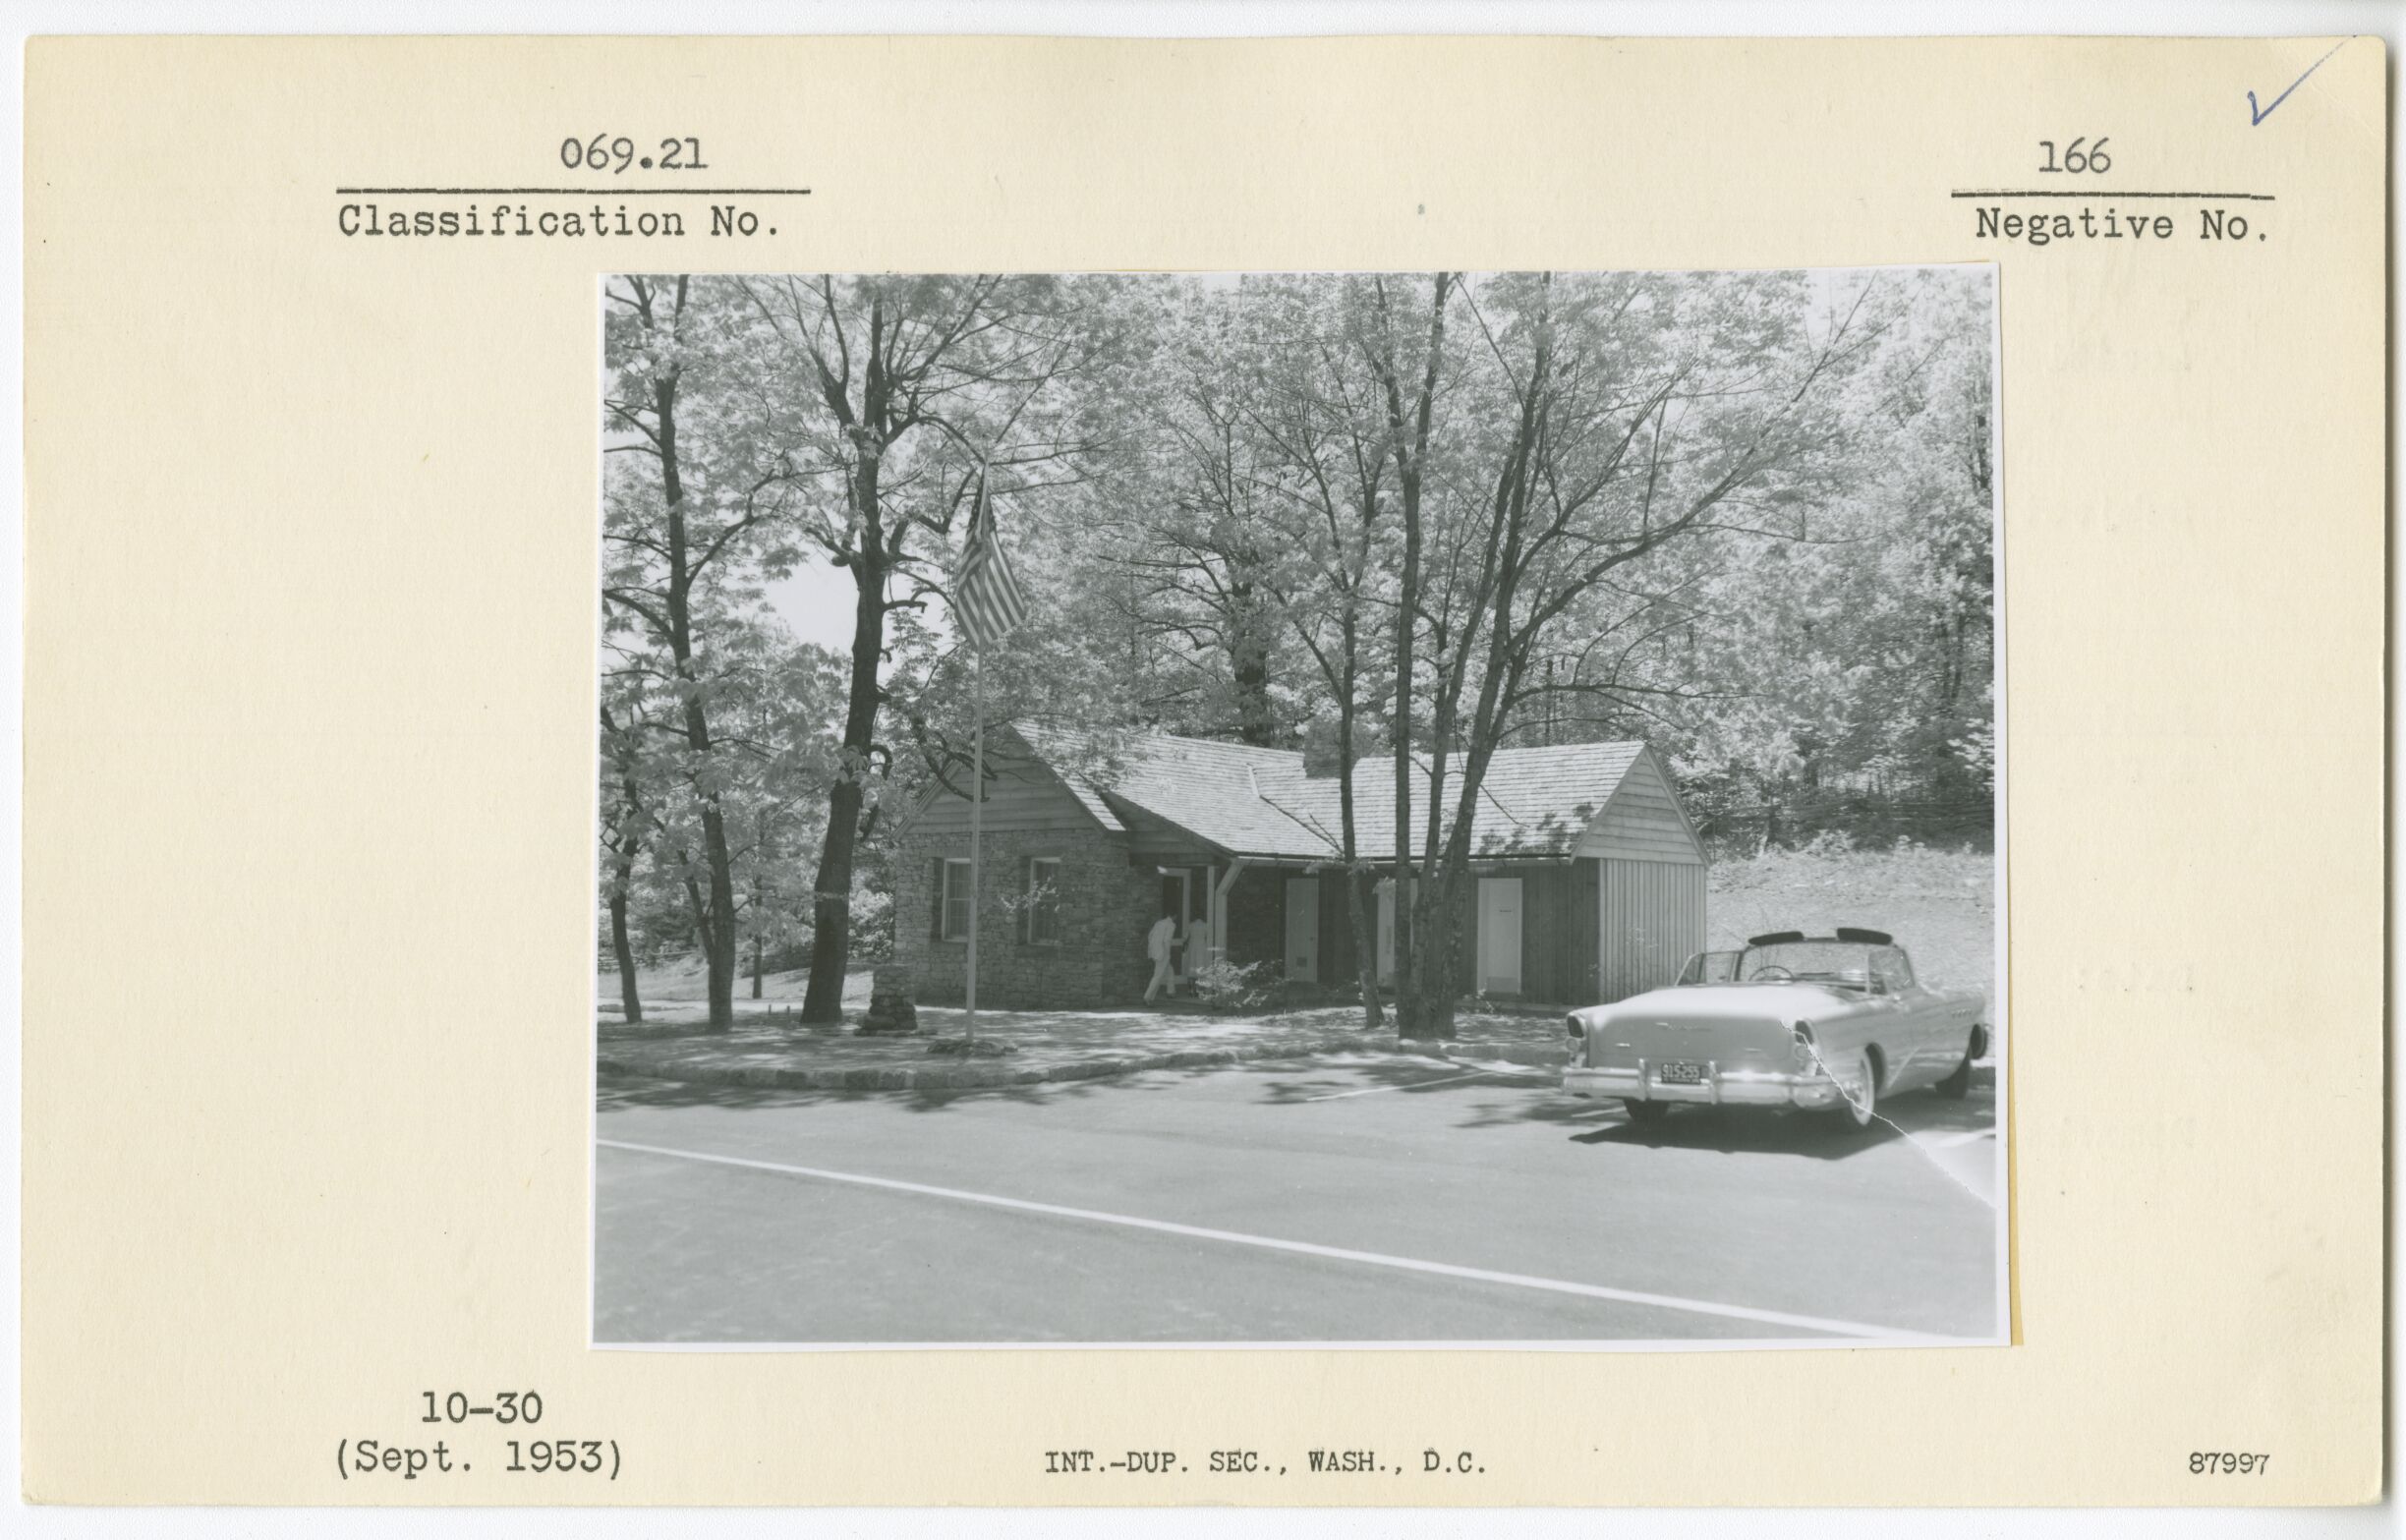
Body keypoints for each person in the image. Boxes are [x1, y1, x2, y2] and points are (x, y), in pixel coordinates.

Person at [1143, 913, 1178, 1001]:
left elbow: (1150, 936)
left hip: (1155, 952)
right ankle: (1148, 997)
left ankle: (1171, 992)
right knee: (1158, 975)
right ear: (1175, 916)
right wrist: (1167, 953)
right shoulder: (1171, 925)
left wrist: (1152, 949)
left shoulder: (1158, 923)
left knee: (1170, 971)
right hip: (1163, 953)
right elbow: (1167, 940)